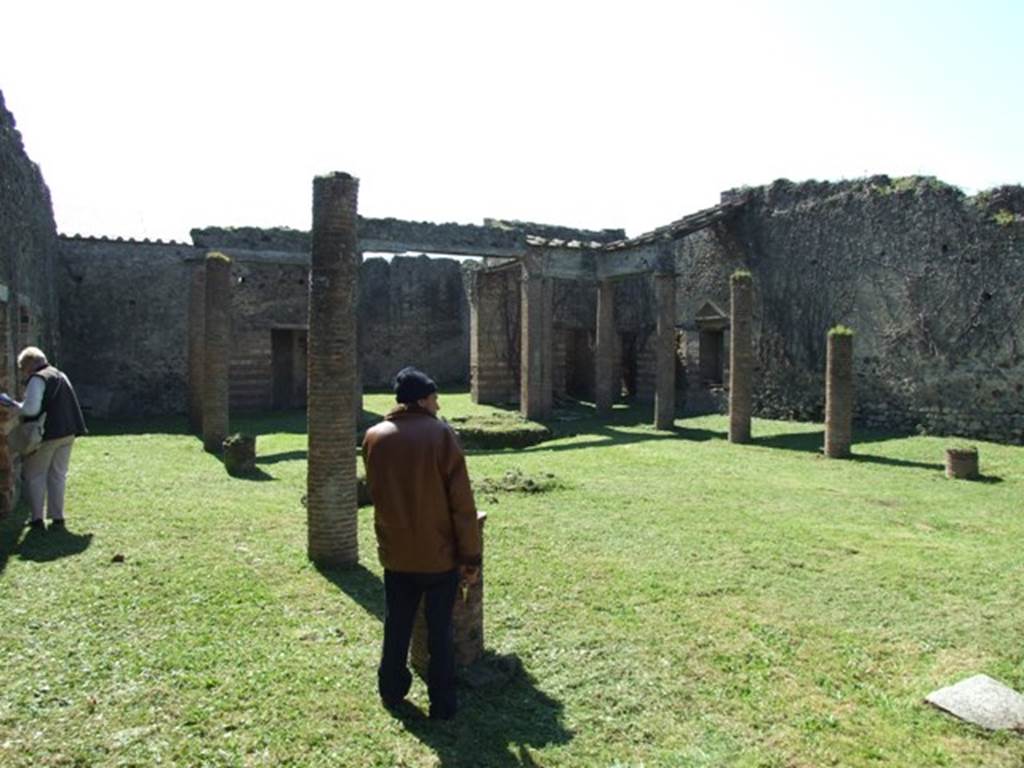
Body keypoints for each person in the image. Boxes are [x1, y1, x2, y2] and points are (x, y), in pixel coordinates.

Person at [362, 366, 481, 720]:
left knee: (396, 626)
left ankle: (391, 690)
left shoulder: (373, 437)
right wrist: (470, 556)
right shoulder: (441, 435)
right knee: (439, 633)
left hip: (396, 554)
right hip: (438, 557)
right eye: (434, 398)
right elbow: (462, 505)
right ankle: (443, 704)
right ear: (421, 400)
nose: (438, 405)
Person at [4, 347, 87, 530]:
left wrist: (13, 406)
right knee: (58, 475)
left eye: (23, 368)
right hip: (68, 431)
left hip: (46, 434)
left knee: (35, 475)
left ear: (29, 364)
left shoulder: (38, 378)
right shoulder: (60, 375)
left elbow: (31, 409)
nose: (23, 373)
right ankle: (57, 516)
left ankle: (37, 518)